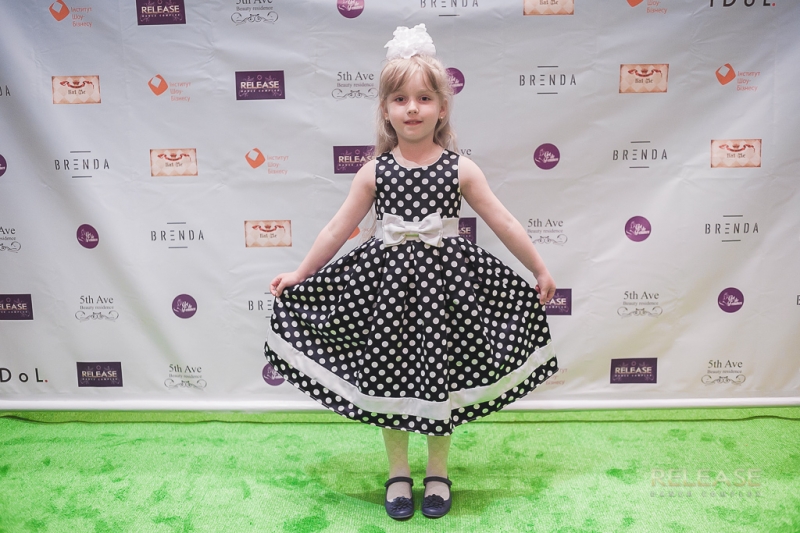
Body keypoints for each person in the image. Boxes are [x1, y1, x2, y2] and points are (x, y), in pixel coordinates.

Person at [265, 24, 559, 520]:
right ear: (385, 109)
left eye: (424, 98)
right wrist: (300, 273)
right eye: (400, 99)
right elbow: (338, 228)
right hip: (388, 294)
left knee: (440, 378)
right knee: (390, 376)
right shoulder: (374, 172)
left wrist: (540, 268)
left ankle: (438, 471)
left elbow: (504, 221)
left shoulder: (461, 169)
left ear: (442, 107)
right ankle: (398, 472)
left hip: (446, 293)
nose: (413, 108)